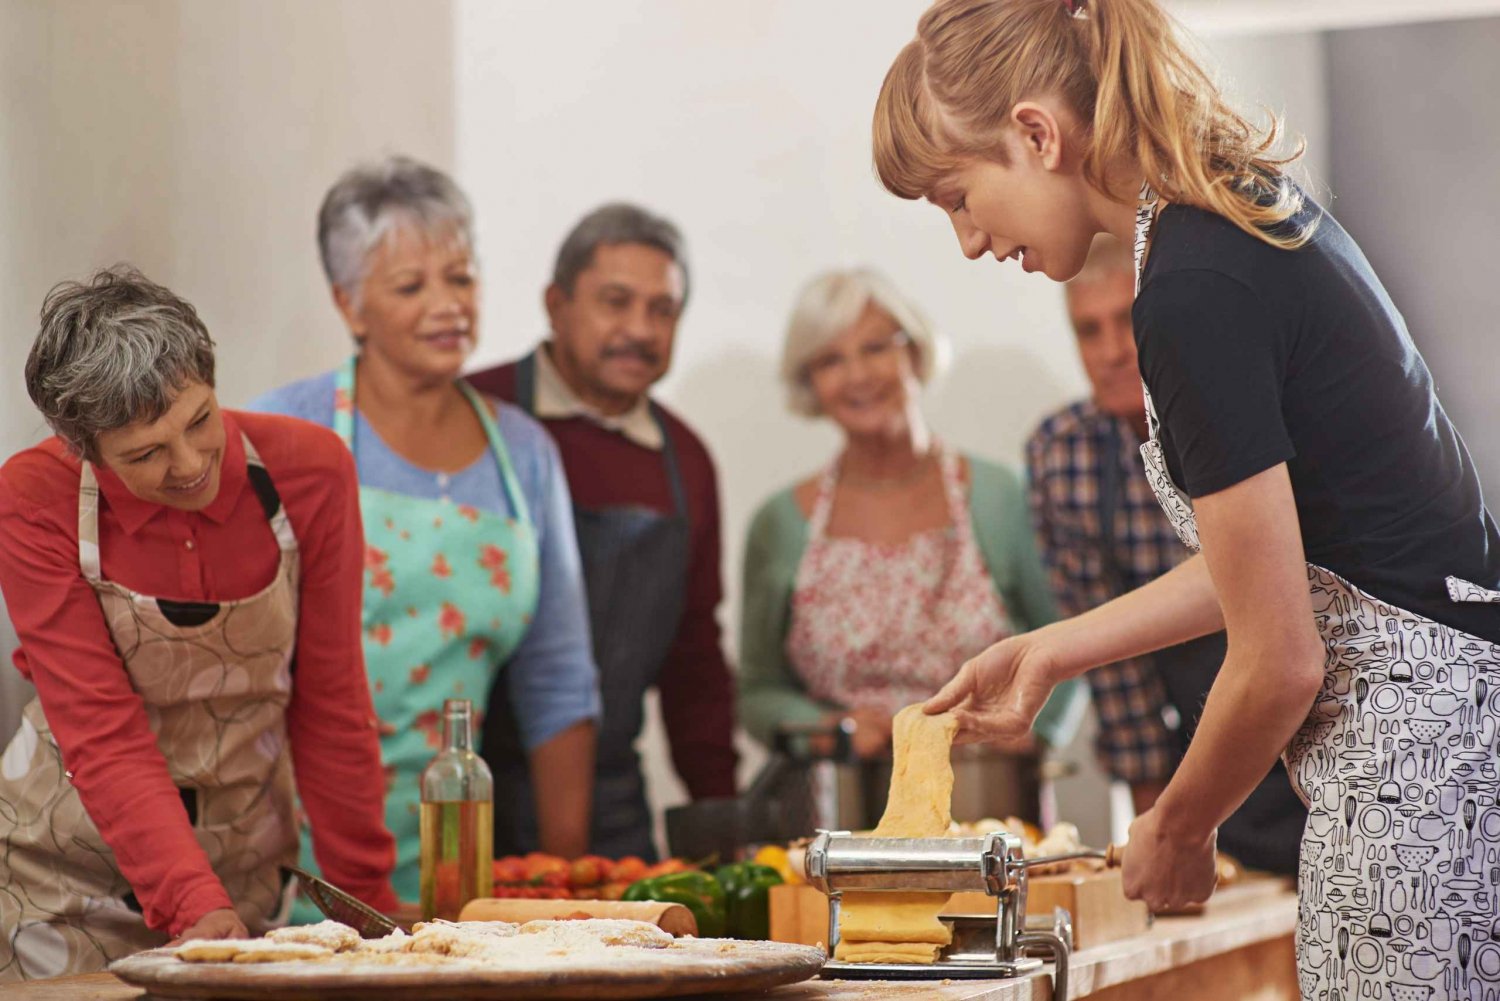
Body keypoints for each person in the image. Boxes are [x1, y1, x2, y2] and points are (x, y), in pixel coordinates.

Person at [873, 1, 1500, 996]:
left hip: (1416, 759)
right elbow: (1279, 558)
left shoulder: (1192, 286)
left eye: (957, 195)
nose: (966, 240)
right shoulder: (1223, 216)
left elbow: (1279, 655)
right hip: (1449, 724)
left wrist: (1178, 822)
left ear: (1036, 135)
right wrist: (1053, 647)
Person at [0, 268, 396, 980]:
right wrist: (191, 904)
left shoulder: (311, 472)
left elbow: (331, 703)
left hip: (241, 872)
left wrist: (368, 906)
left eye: (200, 420)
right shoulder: (33, 497)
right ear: (85, 448)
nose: (189, 465)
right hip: (62, 875)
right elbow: (99, 726)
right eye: (145, 453)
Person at [250, 156, 598, 907]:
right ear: (349, 305)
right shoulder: (285, 432)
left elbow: (559, 683)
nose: (447, 304)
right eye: (411, 286)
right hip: (283, 852)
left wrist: (563, 881)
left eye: (461, 277)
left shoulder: (526, 456)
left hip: (453, 852)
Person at [467, 204, 738, 859]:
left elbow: (695, 659)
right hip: (467, 796)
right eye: (616, 302)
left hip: (613, 806)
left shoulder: (687, 460)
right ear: (556, 305)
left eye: (663, 310)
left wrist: (721, 826)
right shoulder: (473, 414)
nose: (639, 330)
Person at [1027, 235, 1304, 874]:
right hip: (1205, 753)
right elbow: (1119, 676)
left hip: (1326, 714)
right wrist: (1166, 828)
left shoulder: (1239, 411)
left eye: (1125, 323)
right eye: (1087, 332)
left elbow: (1284, 604)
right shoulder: (1065, 452)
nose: (1111, 351)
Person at [739, 268, 1083, 773]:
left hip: (986, 798)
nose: (858, 375)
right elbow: (757, 690)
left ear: (916, 352)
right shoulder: (779, 524)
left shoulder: (1002, 497)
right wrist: (832, 730)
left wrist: (1034, 732)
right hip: (837, 813)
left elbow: (1072, 641)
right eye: (831, 360)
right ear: (810, 383)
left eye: (876, 347)